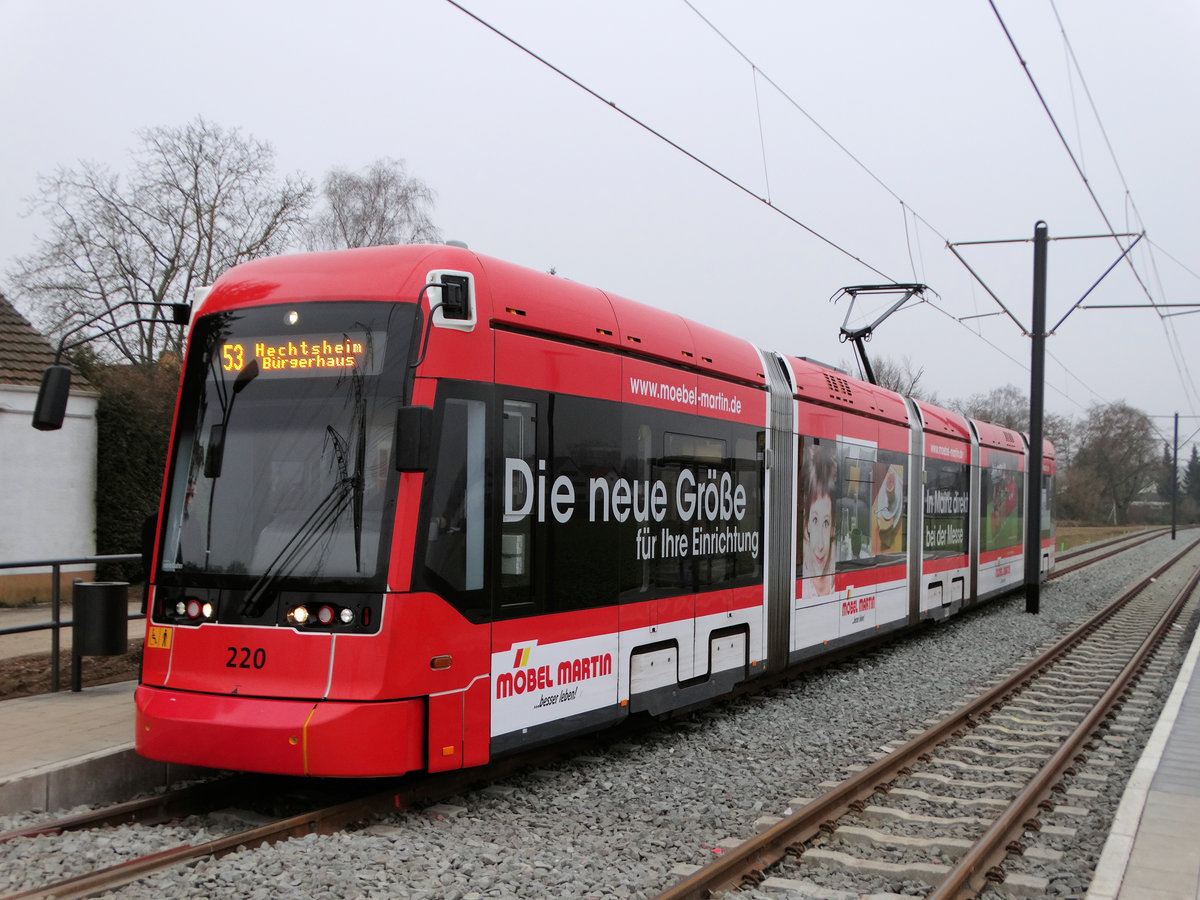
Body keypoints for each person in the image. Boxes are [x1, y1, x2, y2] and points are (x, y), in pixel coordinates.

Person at [800, 440, 838, 598]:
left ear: (833, 530)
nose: (820, 545)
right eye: (815, 520)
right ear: (807, 523)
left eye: (826, 523)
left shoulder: (837, 580)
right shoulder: (803, 586)